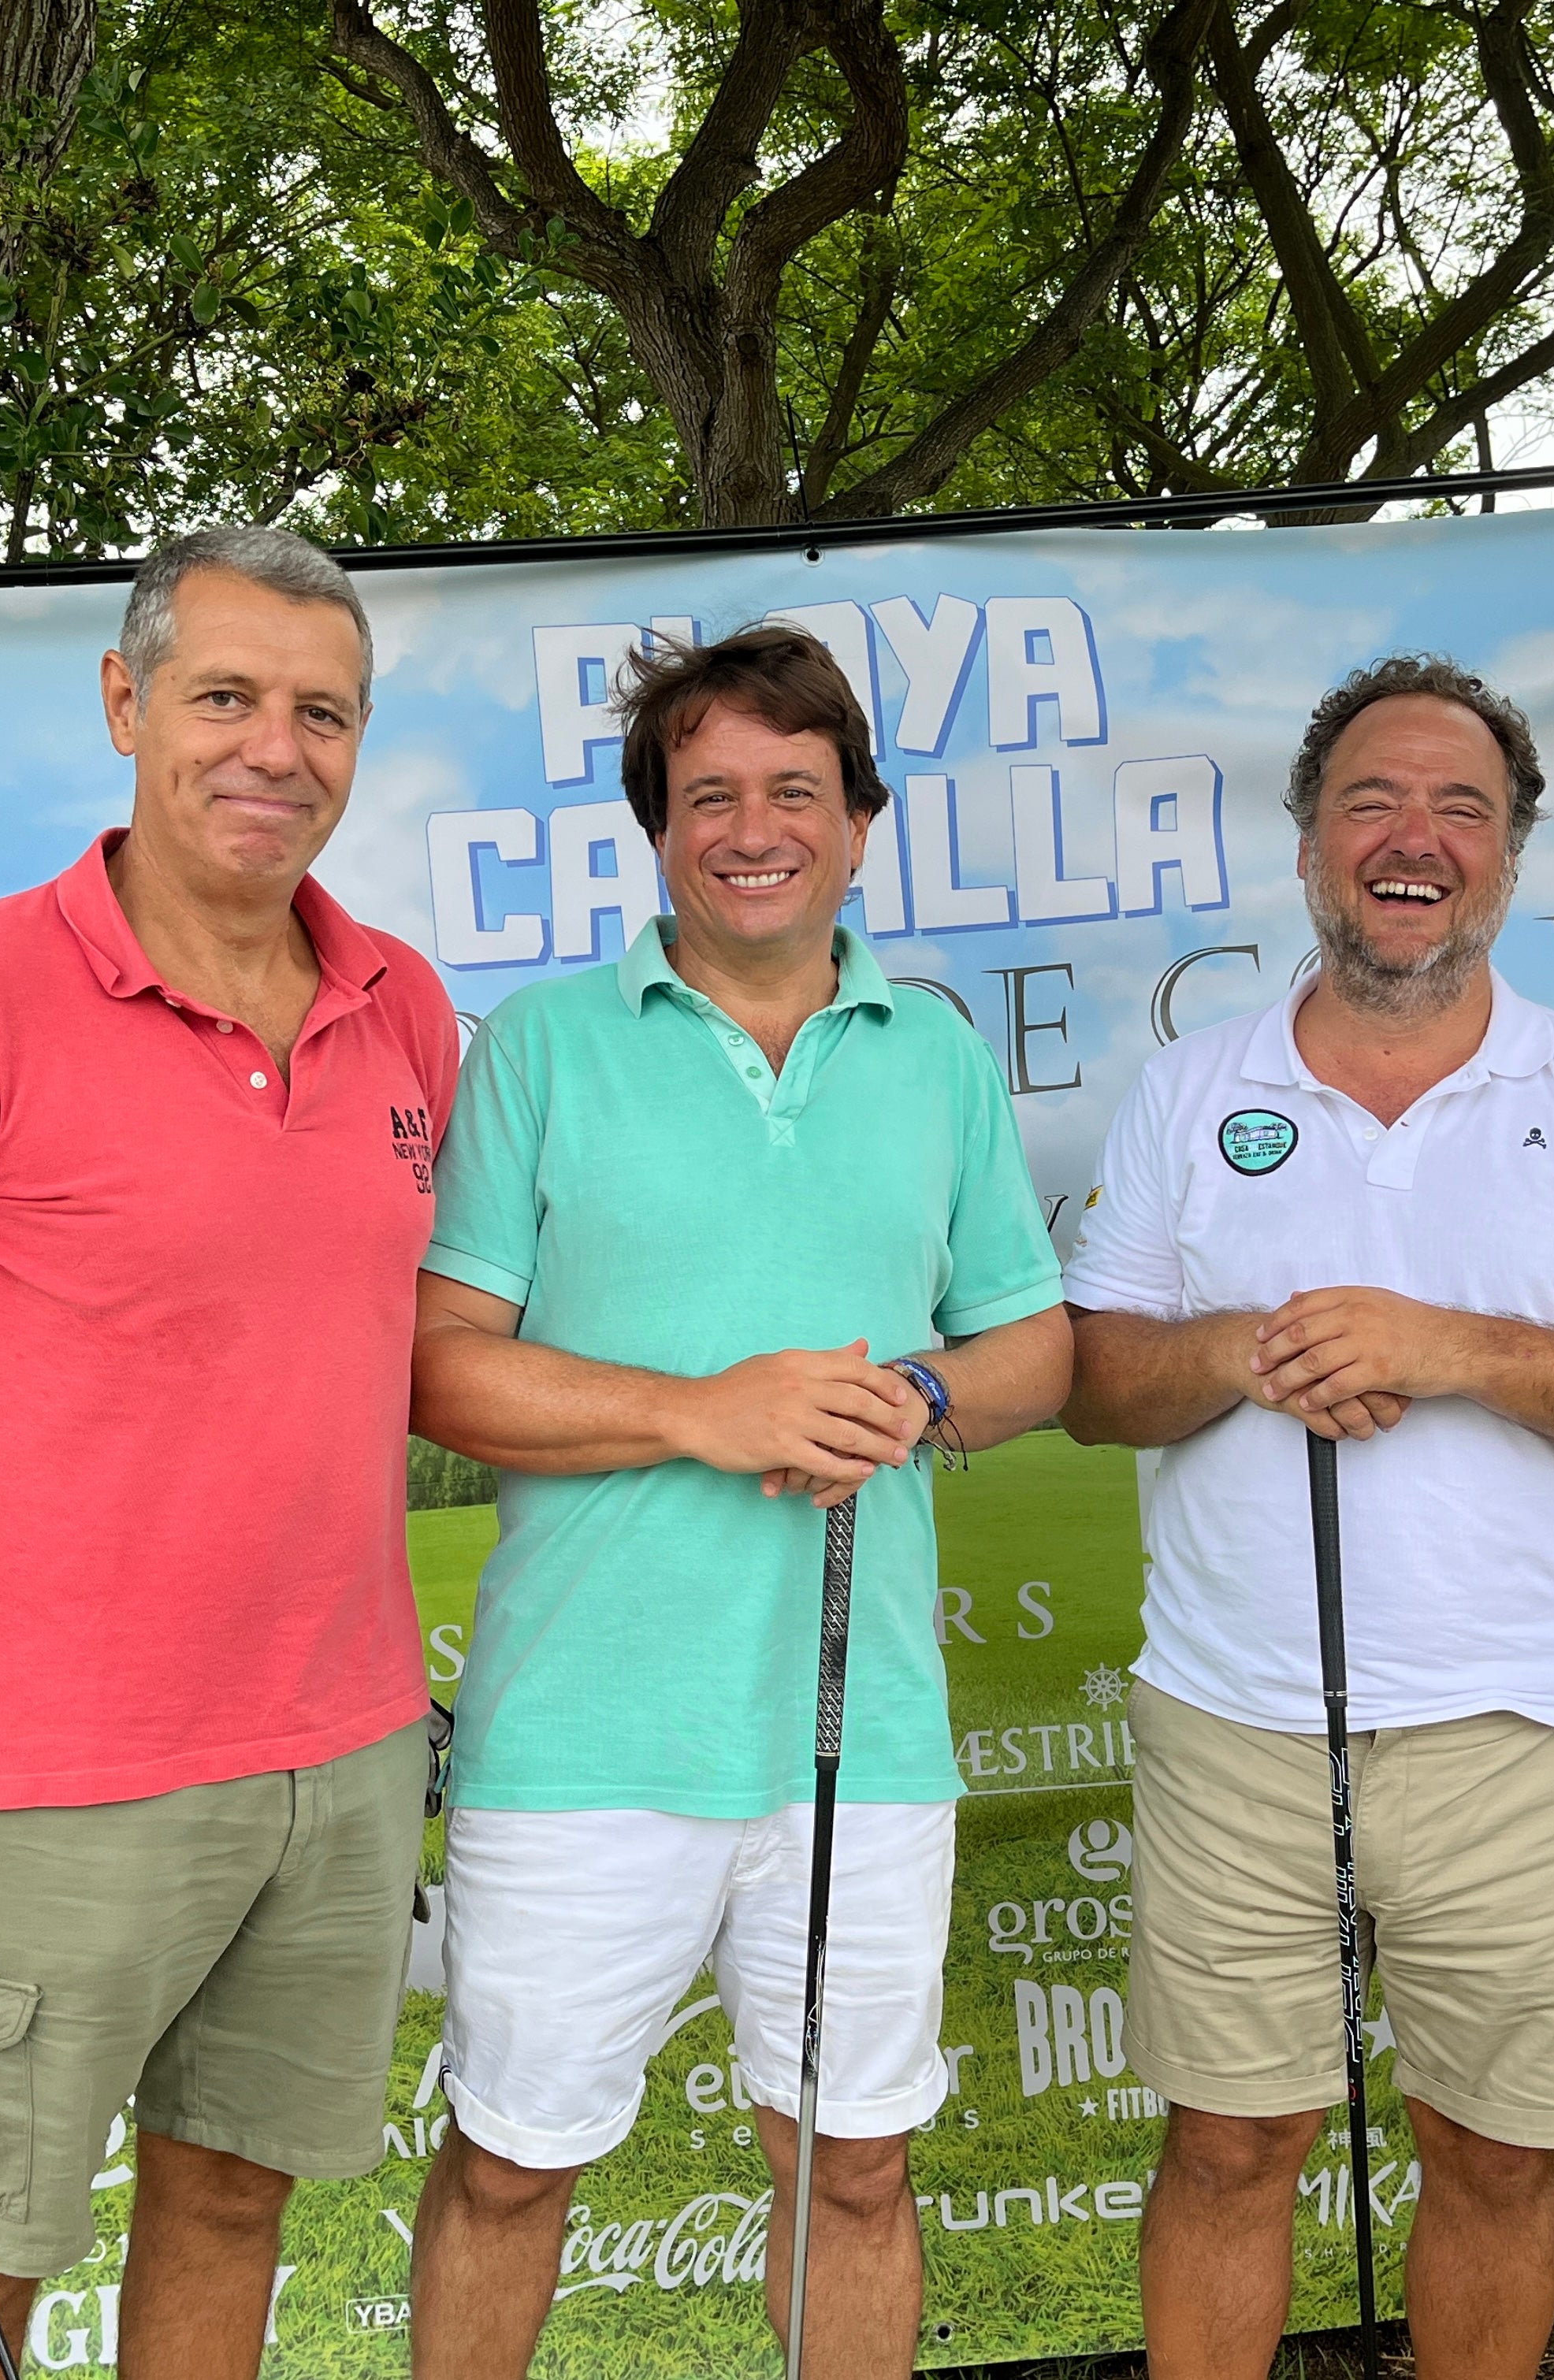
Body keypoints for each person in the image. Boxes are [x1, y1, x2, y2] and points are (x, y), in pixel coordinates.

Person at [0, 525, 455, 2378]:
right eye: (225, 694)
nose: (273, 747)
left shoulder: (398, 1002)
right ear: (125, 702)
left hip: (340, 1748)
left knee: (234, 2202)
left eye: (322, 712)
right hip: (49, 1784)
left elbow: (413, 1348)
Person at [1059, 653, 1554, 2380]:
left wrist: (1447, 1345)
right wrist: (1242, 1344)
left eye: (1462, 806)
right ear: (1309, 845)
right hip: (1233, 1714)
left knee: (1495, 2148)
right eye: (1372, 799)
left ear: (1511, 859)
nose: (1414, 835)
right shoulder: (1187, 1086)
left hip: (1527, 1722)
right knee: (1231, 2141)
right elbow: (1096, 1383)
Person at [403, 623, 1073, 2380]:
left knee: (851, 2169)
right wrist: (702, 1413)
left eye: (795, 788)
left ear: (860, 819)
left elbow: (1036, 1347)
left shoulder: (931, 1055)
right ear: (658, 827)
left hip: (862, 1732)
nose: (752, 826)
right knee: (506, 2166)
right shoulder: (543, 1044)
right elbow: (441, 1364)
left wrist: (921, 1393)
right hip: (580, 1732)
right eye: (710, 794)